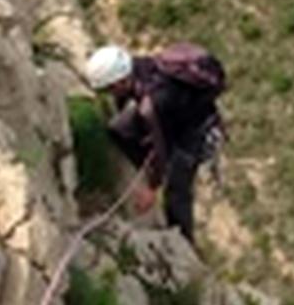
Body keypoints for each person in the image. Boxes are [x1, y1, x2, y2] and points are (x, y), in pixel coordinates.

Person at [85, 43, 225, 243]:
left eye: (108, 89)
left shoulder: (154, 103)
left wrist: (152, 188)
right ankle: (148, 169)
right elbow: (128, 105)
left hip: (194, 133)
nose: (109, 93)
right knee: (119, 129)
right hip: (178, 118)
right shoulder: (139, 66)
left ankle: (183, 241)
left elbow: (160, 148)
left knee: (177, 191)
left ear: (119, 82)